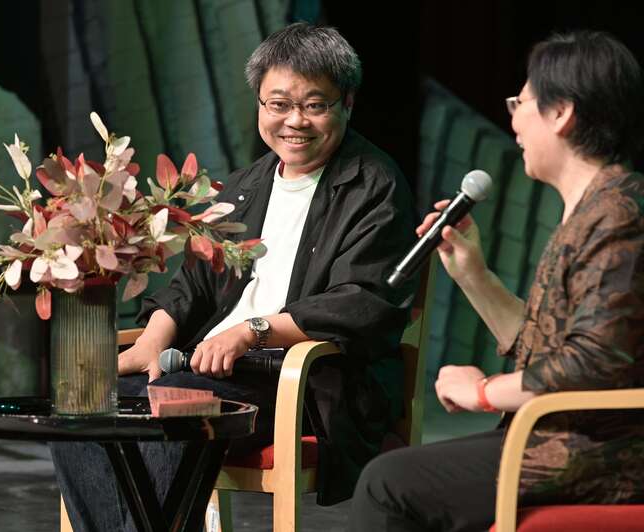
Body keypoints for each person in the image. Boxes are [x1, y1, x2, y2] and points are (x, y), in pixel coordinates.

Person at [51, 22, 418, 531]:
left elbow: (360, 302)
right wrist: (151, 342)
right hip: (210, 369)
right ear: (259, 104)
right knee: (82, 400)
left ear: (347, 103)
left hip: (308, 382)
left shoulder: (374, 184)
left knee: (175, 407)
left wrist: (251, 332)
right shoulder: (245, 185)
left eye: (314, 105)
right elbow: (193, 284)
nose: (295, 121)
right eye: (278, 104)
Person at [349, 30, 644, 532]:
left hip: (601, 452)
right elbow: (544, 349)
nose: (513, 118)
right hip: (561, 440)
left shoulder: (620, 214)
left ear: (561, 113)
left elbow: (592, 364)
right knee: (396, 475)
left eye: (520, 102)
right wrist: (474, 275)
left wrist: (484, 391)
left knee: (387, 484)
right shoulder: (595, 208)